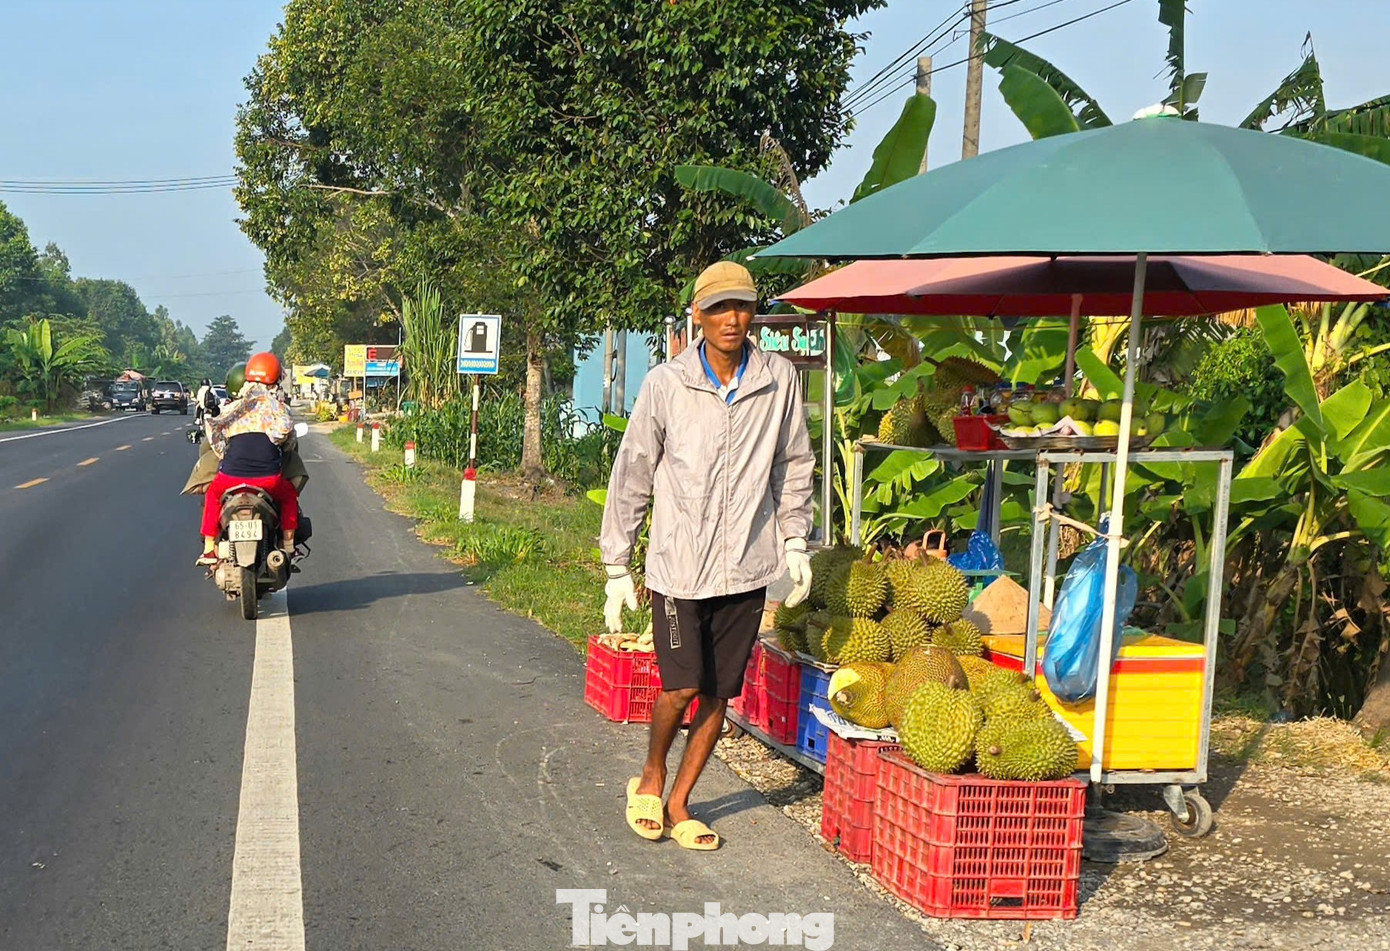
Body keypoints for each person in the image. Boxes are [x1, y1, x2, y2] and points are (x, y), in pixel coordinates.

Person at [600, 260, 815, 851]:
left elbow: (793, 462)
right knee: (681, 686)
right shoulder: (667, 383)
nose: (731, 318)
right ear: (697, 314)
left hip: (746, 564)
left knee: (719, 692)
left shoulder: (778, 379)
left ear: (754, 312)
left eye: (741, 305)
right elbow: (633, 470)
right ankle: (651, 776)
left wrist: (795, 537)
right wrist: (617, 564)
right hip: (679, 566)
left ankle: (681, 802)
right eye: (718, 307)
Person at [196, 352, 300, 567]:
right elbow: (286, 436)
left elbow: (214, 430)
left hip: (230, 478)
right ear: (277, 379)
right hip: (269, 480)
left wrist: (223, 452)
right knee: (289, 496)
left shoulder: (234, 407)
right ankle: (289, 545)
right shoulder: (278, 408)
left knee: (212, 495)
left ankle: (209, 549)